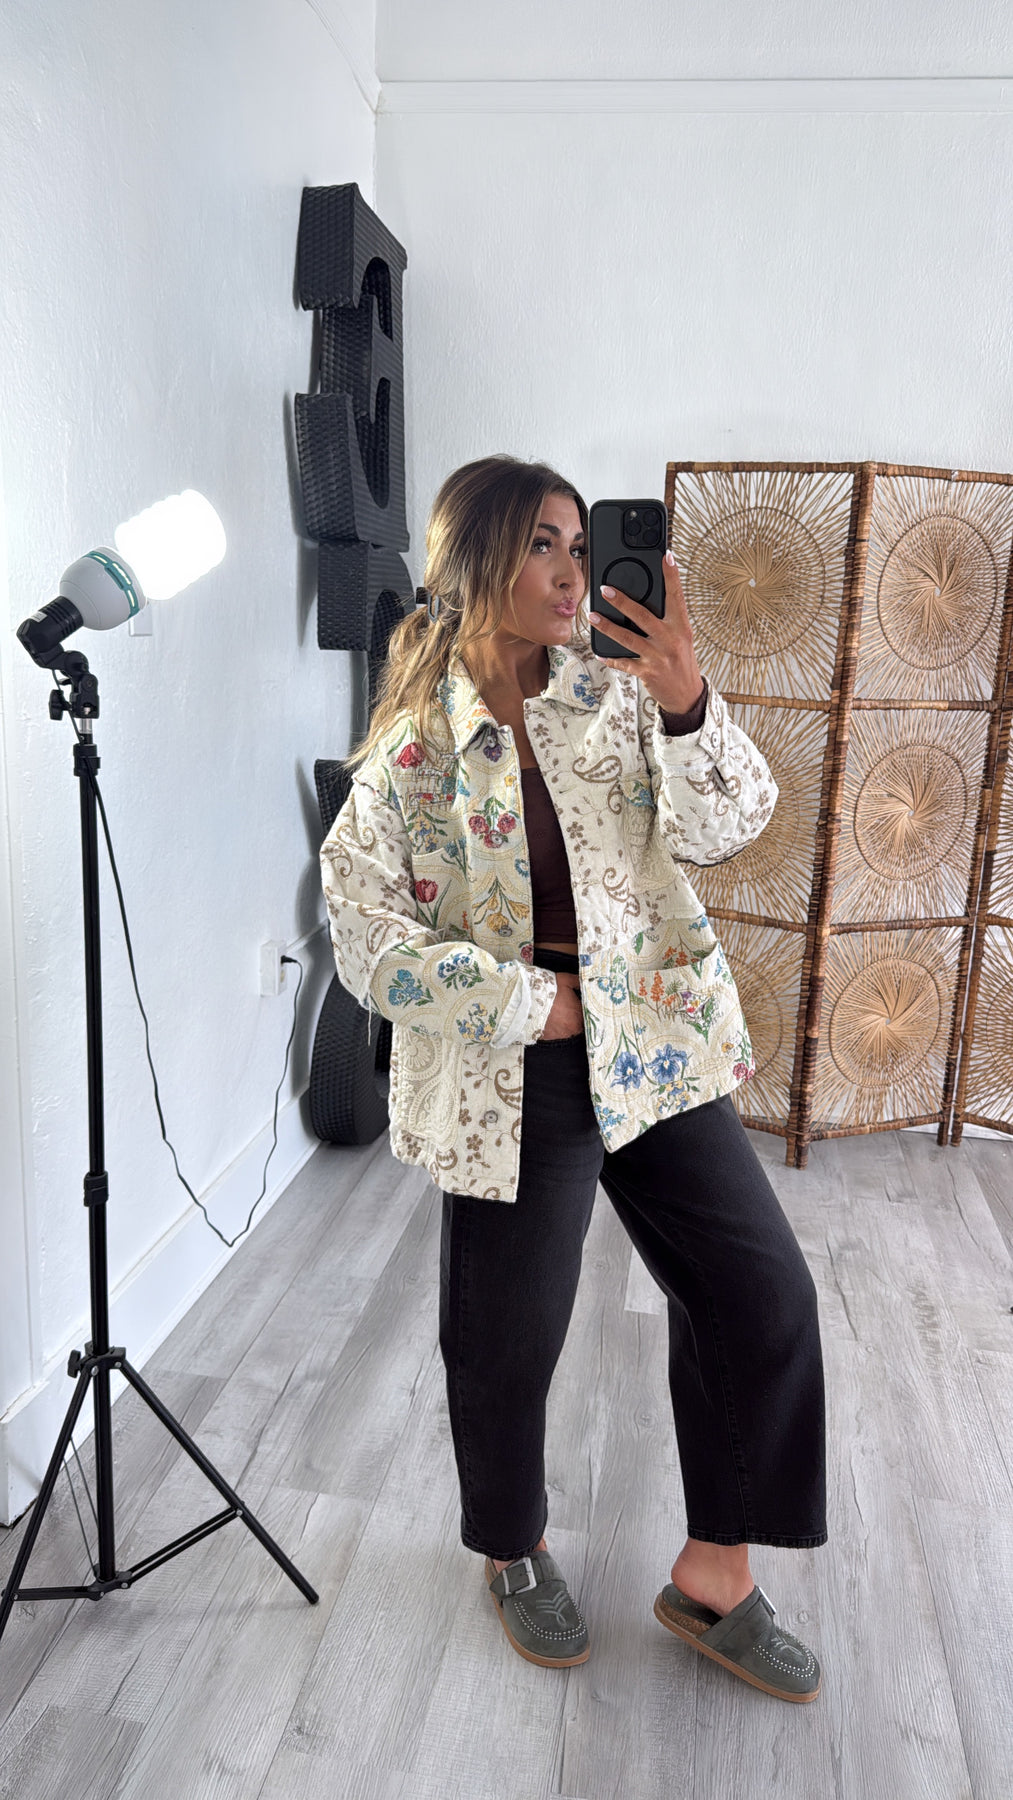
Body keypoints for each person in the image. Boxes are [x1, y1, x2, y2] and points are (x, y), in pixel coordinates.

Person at [321, 454, 826, 1703]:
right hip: (516, 1070)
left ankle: (714, 1573)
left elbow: (728, 829)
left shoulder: (619, 694)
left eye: (577, 546)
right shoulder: (413, 753)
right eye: (540, 545)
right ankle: (512, 1549)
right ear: (474, 560)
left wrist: (688, 697)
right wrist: (520, 1002)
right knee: (506, 1336)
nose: (568, 573)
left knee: (759, 1293)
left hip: (652, 1041)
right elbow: (364, 935)